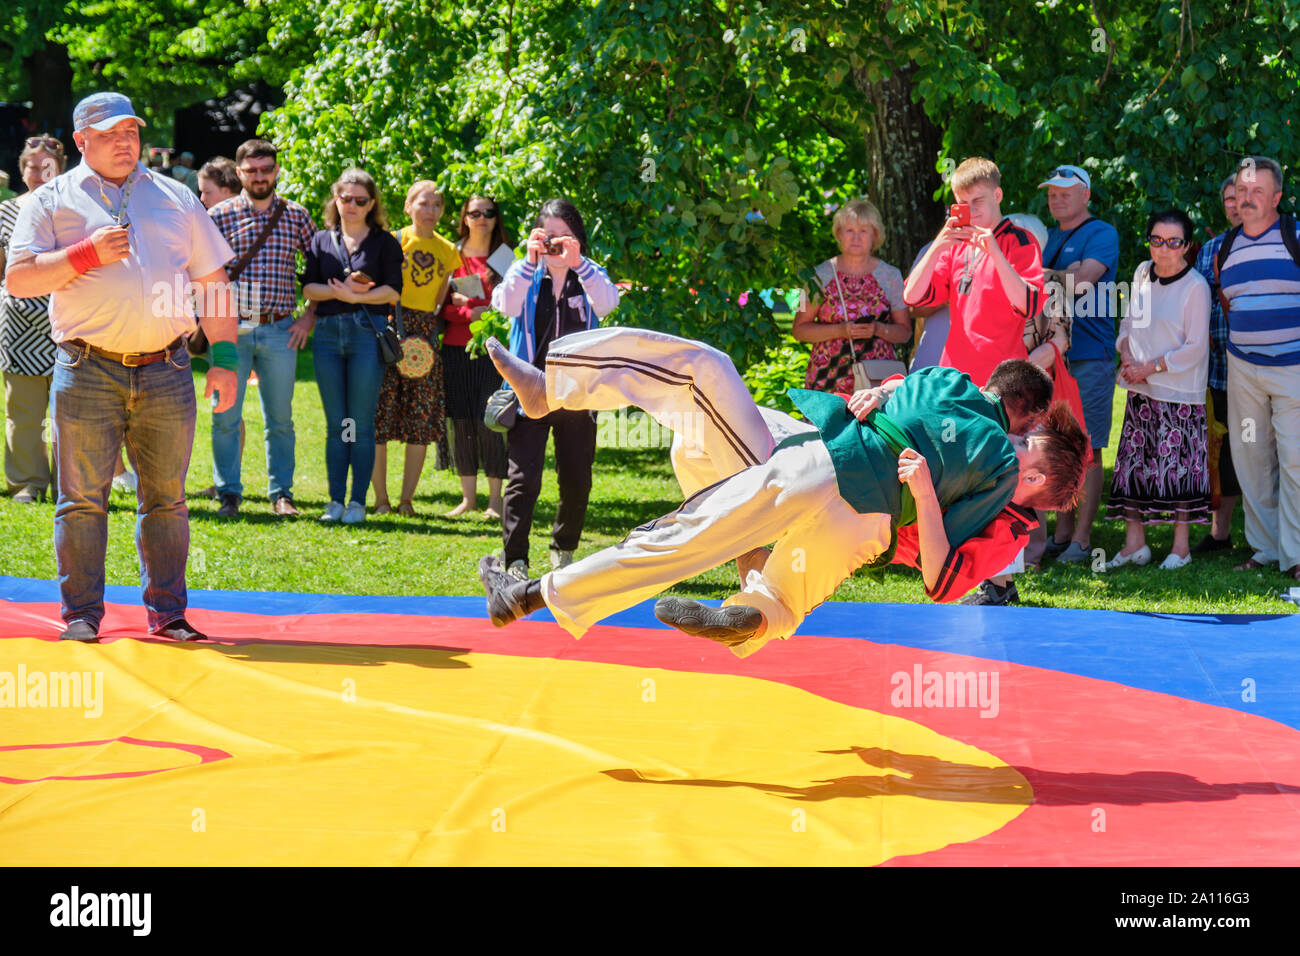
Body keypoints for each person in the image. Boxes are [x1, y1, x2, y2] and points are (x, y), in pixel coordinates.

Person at [480, 327, 1087, 657]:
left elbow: (942, 579)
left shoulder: (1000, 494)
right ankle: (750, 591)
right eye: (1024, 434)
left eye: (1028, 443)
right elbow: (909, 395)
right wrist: (879, 394)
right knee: (698, 451)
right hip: (840, 490)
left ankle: (538, 591)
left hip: (833, 480)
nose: (1018, 443)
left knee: (692, 515)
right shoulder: (968, 419)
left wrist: (924, 490)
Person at [4, 92, 238, 643]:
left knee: (167, 500)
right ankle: (82, 616)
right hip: (86, 368)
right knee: (82, 500)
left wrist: (225, 360)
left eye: (131, 130)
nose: (125, 141)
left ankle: (169, 615)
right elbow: (18, 280)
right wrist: (84, 255)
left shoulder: (176, 196)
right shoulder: (52, 200)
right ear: (81, 140)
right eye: (110, 133)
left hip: (168, 368)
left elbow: (213, 284)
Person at [489, 198, 620, 579]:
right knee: (523, 478)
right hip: (530, 390)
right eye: (550, 237)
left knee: (577, 477)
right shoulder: (524, 272)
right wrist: (529, 263)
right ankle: (516, 559)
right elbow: (507, 306)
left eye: (566, 237)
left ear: (578, 238)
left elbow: (608, 304)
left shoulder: (589, 273)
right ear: (537, 239)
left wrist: (579, 263)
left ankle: (564, 550)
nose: (557, 245)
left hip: (578, 392)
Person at [206, 138, 317, 518]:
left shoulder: (297, 216)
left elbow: (320, 270)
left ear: (277, 171)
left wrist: (309, 315)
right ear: (239, 174)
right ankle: (228, 493)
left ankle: (281, 494)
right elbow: (200, 272)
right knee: (225, 415)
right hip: (228, 330)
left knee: (280, 418)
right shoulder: (218, 216)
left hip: (279, 327)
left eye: (266, 169)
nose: (259, 177)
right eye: (251, 171)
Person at [1104, 210, 1211, 569]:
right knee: (1134, 467)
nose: (1163, 249)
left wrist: (1151, 366)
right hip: (1141, 390)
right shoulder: (1140, 274)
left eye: (1173, 242)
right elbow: (1130, 323)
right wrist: (1127, 354)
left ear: (1187, 246)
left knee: (1178, 471)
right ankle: (1135, 544)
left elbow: (1196, 346)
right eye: (1156, 240)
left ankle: (1180, 548)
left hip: (1178, 393)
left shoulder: (1196, 286)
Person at [302, 168, 402, 525]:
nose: (353, 205)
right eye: (346, 198)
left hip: (366, 333)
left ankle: (358, 501)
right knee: (337, 423)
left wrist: (355, 293)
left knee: (358, 424)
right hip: (328, 336)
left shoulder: (384, 242)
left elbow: (392, 291)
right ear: (336, 199)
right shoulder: (320, 240)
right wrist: (340, 291)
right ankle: (334, 501)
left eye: (361, 200)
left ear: (372, 203)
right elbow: (309, 289)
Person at [1033, 164, 1121, 565]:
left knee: (1089, 446)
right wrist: (1059, 275)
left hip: (1089, 353)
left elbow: (1082, 282)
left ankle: (1082, 541)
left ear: (1086, 195)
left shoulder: (1101, 233)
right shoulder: (1047, 236)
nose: (1057, 196)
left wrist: (1044, 276)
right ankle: (1063, 534)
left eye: (1067, 190)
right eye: (1052, 191)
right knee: (1061, 445)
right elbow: (1052, 283)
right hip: (1053, 355)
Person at [1218, 156, 1300, 580]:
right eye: (1242, 191)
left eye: (1258, 192)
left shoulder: (1295, 235)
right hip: (1245, 374)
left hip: (1294, 373)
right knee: (1250, 456)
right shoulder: (1225, 247)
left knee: (1295, 459)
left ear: (1277, 198)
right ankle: (1265, 549)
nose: (1247, 199)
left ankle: (1296, 555)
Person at [904, 156, 1045, 388]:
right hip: (955, 377)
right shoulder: (956, 245)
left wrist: (995, 252)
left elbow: (1029, 305)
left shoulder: (1020, 240)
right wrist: (939, 244)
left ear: (997, 196)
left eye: (977, 200)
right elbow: (912, 296)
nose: (970, 209)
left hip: (1003, 380)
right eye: (962, 202)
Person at [371, 181, 458, 515]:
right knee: (379, 416)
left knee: (420, 418)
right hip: (390, 330)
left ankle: (407, 500)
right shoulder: (393, 240)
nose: (431, 210)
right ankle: (381, 499)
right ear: (408, 206)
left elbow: (437, 301)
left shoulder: (449, 250)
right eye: (424, 203)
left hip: (424, 334)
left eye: (437, 204)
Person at [1, 135, 66, 503]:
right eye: (31, 166)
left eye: (47, 167)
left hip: (69, 320)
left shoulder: (74, 211)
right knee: (23, 410)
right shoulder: (6, 212)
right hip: (19, 325)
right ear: (21, 169)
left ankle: (69, 484)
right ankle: (27, 482)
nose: (38, 173)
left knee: (70, 412)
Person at [792, 199, 911, 392]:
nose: (856, 237)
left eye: (863, 231)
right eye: (849, 230)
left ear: (875, 235)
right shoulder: (817, 275)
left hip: (876, 382)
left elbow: (905, 332)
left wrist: (877, 329)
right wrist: (841, 330)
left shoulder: (891, 276)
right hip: (827, 378)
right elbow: (799, 330)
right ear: (838, 234)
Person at [442, 194, 509, 518]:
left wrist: (468, 305)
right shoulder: (451, 254)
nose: (481, 218)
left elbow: (507, 309)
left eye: (489, 212)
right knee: (461, 421)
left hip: (494, 352)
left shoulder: (504, 257)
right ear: (464, 217)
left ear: (497, 218)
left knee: (491, 421)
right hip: (454, 350)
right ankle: (468, 499)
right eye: (474, 213)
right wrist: (475, 308)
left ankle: (496, 502)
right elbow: (443, 308)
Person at [1191, 172, 1243, 553]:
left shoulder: (1285, 242)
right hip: (1221, 372)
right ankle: (1220, 533)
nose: (1235, 204)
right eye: (1228, 198)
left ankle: (1271, 536)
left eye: (1241, 195)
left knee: (1268, 450)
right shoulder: (1209, 250)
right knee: (1223, 450)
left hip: (1275, 368)